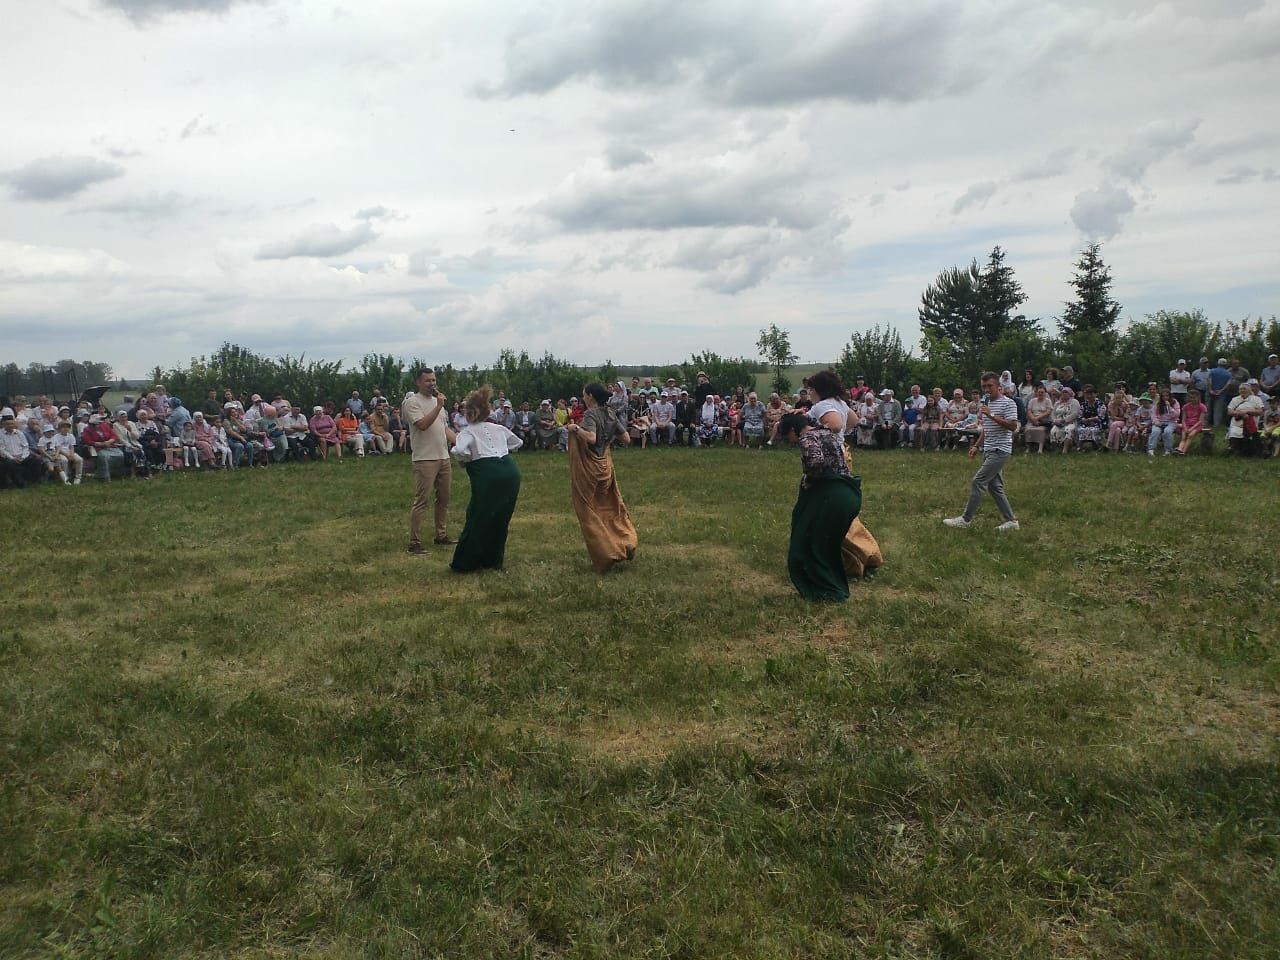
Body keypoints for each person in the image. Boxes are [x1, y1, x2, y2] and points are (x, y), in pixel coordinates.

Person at [806, 370, 883, 580]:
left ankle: (853, 559)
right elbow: (854, 420)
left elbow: (837, 424)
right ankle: (866, 554)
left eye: (810, 389)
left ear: (818, 389)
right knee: (840, 510)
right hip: (844, 457)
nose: (809, 393)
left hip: (828, 463)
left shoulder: (821, 405)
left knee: (829, 513)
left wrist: (810, 432)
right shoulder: (838, 402)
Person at [778, 411, 862, 602]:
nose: (789, 441)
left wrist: (809, 478)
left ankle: (824, 589)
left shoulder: (807, 438)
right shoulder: (828, 433)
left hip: (832, 496)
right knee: (828, 546)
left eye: (788, 436)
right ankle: (833, 583)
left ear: (793, 430)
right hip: (849, 494)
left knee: (810, 543)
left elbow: (816, 463)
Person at [448, 386, 523, 572]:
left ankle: (466, 563)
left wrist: (465, 460)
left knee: (478, 515)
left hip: (488, 473)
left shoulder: (467, 432)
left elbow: (459, 450)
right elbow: (517, 443)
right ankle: (493, 560)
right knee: (501, 516)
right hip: (511, 471)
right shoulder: (498, 428)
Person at [566, 382, 636, 573]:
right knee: (611, 506)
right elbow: (626, 439)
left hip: (590, 469)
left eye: (584, 395)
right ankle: (625, 542)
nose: (583, 398)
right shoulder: (611, 413)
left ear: (590, 396)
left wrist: (574, 428)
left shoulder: (590, 414)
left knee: (588, 511)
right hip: (606, 467)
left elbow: (590, 438)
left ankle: (606, 554)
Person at [943, 372, 1020, 531]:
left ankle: (965, 520)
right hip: (989, 449)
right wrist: (976, 446)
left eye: (989, 386)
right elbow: (986, 429)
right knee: (995, 487)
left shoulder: (1008, 403)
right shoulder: (987, 404)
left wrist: (991, 415)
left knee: (978, 481)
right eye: (984, 386)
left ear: (998, 386)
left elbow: (1013, 426)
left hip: (1001, 449)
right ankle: (1011, 521)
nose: (986, 389)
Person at [403, 367, 456, 554]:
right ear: (418, 382)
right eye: (428, 381)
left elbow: (444, 429)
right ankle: (414, 542)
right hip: (424, 459)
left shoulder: (436, 402)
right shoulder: (412, 402)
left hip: (443, 457)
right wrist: (439, 407)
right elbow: (423, 425)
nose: (432, 383)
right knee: (422, 501)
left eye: (434, 380)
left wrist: (462, 443)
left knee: (444, 498)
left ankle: (440, 535)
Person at [1226, 382, 1263, 455]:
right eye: (1240, 389)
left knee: (1248, 436)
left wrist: (1247, 411)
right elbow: (1229, 412)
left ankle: (1247, 451)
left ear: (1249, 390)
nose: (1242, 390)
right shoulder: (1234, 399)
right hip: (1236, 423)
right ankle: (1234, 449)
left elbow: (1260, 411)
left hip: (1251, 423)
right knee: (1234, 432)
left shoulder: (1257, 399)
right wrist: (1241, 413)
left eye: (1244, 389)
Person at [1148, 388, 1180, 456]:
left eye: (1167, 396)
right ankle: (1151, 449)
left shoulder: (1175, 402)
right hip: (1160, 421)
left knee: (1167, 431)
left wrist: (1169, 407)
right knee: (1155, 432)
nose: (1165, 397)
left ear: (1170, 396)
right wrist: (1156, 422)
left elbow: (1176, 415)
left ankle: (1168, 450)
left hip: (1171, 422)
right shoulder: (1158, 403)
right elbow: (1153, 414)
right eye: (1163, 396)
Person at [1176, 389, 1208, 455]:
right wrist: (1185, 427)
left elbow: (1200, 421)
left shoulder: (1202, 407)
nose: (1192, 399)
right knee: (1183, 437)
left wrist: (1191, 428)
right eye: (1190, 397)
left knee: (1190, 435)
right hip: (1187, 424)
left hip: (1197, 425)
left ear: (1198, 397)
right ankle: (1179, 449)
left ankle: (1183, 451)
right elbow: (1183, 419)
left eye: (1194, 398)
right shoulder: (1185, 406)